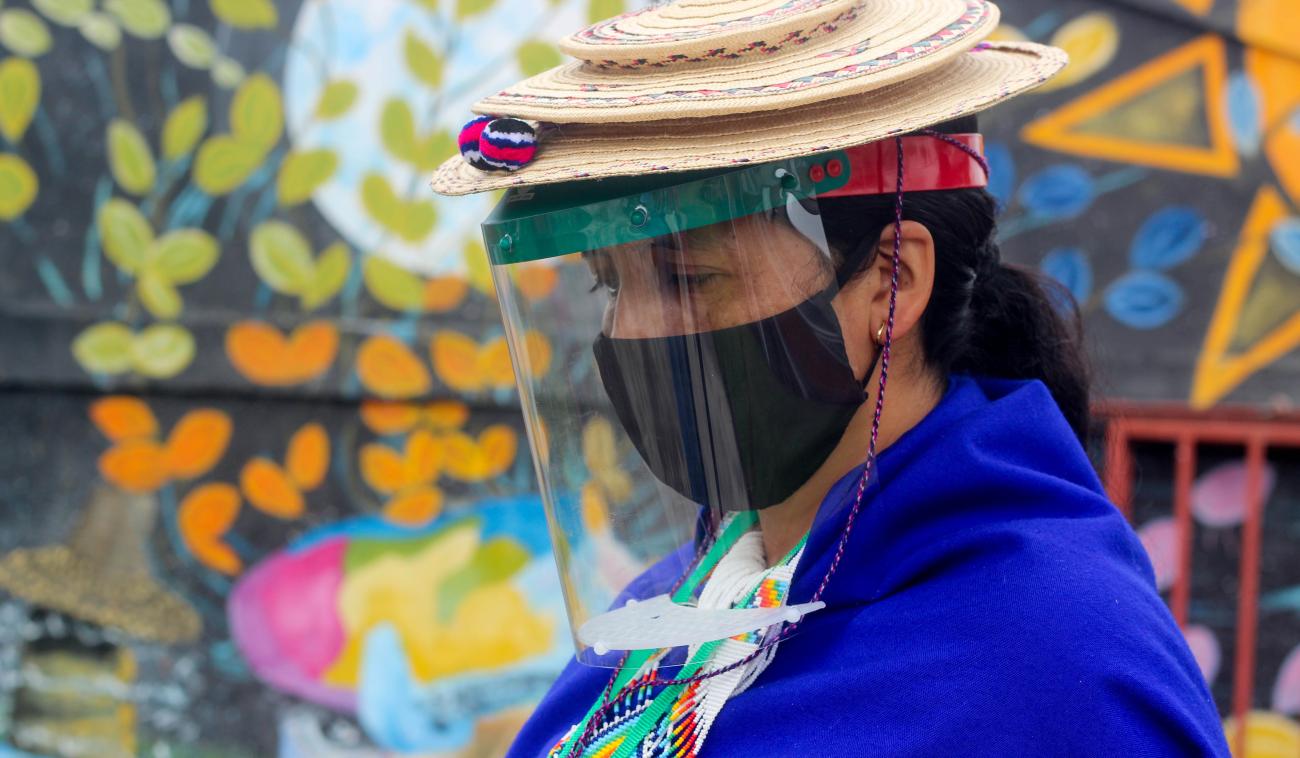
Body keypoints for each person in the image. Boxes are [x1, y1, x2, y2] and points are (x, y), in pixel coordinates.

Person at [432, 1, 1230, 755]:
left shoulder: (1061, 662)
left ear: (893, 283)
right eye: (609, 283)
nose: (629, 332)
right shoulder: (679, 612)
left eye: (685, 279)